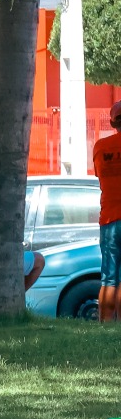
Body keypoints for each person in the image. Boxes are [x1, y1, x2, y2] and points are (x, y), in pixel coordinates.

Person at [94, 100, 121, 323]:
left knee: (109, 278)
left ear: (112, 122)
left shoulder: (100, 147)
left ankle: (105, 324)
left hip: (110, 219)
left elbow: (99, 175)